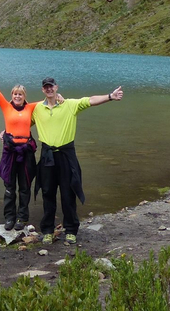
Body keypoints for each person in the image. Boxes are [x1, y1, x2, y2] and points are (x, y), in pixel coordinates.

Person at [33, 76, 123, 246]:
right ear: (42, 90)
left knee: (68, 193)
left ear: (56, 87)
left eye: (51, 86)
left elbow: (90, 100)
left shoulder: (70, 105)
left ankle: (71, 230)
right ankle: (47, 230)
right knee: (47, 193)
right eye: (46, 87)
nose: (49, 89)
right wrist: (7, 133)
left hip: (66, 155)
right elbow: (21, 120)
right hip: (47, 156)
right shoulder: (37, 108)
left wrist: (110, 96)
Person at [0, 59, 38, 231]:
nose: (17, 96)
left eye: (20, 94)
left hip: (26, 152)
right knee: (10, 187)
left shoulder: (31, 108)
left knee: (25, 187)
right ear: (11, 95)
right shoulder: (6, 107)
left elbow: (48, 102)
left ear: (24, 96)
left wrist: (59, 97)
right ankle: (9, 218)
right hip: (10, 152)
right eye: (15, 94)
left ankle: (22, 218)